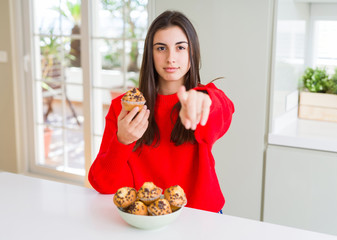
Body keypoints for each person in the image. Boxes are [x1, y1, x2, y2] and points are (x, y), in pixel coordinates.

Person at [88, 10, 234, 213]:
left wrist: (203, 102)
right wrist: (122, 140)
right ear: (151, 54)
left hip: (201, 218)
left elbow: (222, 110)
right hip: (145, 220)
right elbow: (102, 184)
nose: (170, 58)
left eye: (180, 47)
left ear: (193, 53)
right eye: (161, 48)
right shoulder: (122, 109)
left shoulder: (207, 98)